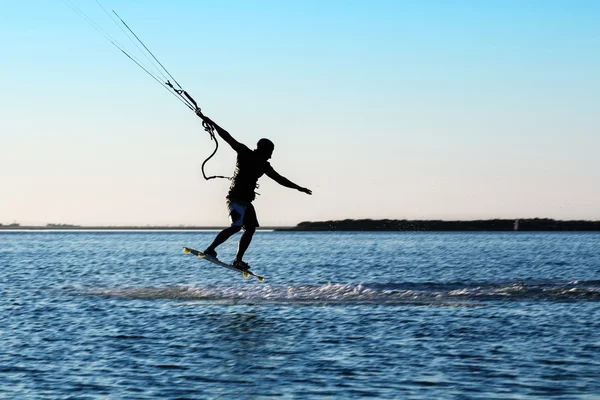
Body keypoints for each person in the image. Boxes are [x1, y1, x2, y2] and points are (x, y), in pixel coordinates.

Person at [196, 109, 312, 270]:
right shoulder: (244, 152)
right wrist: (211, 122)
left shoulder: (264, 165)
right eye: (270, 152)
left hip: (246, 201)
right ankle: (210, 249)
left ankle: (238, 260)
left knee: (250, 229)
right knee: (236, 227)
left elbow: (280, 179)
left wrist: (298, 188)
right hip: (235, 199)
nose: (271, 156)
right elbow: (227, 136)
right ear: (264, 150)